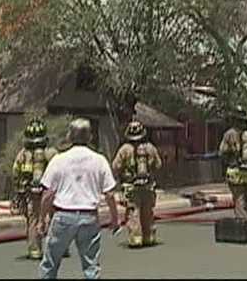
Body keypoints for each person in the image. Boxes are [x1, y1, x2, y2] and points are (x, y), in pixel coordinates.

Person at [38, 118, 120, 279]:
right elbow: (109, 194)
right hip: (89, 217)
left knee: (50, 263)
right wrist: (115, 219)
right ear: (90, 136)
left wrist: (43, 219)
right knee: (91, 266)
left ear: (69, 136)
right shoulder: (99, 160)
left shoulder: (59, 160)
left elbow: (47, 194)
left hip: (63, 216)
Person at [112, 120, 163, 248]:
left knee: (133, 212)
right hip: (148, 186)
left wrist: (123, 175)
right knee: (147, 212)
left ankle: (136, 239)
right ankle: (149, 237)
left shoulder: (124, 149)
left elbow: (116, 166)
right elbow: (158, 165)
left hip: (131, 186)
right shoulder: (150, 148)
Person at [12, 118, 58, 260]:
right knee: (54, 217)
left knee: (33, 220)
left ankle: (35, 249)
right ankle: (56, 247)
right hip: (48, 191)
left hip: (30, 193)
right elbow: (59, 170)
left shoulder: (22, 154)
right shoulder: (50, 153)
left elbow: (15, 173)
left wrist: (19, 192)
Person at [218, 112, 247, 236]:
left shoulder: (229, 134)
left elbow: (221, 152)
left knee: (240, 202)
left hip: (235, 173)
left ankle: (244, 228)